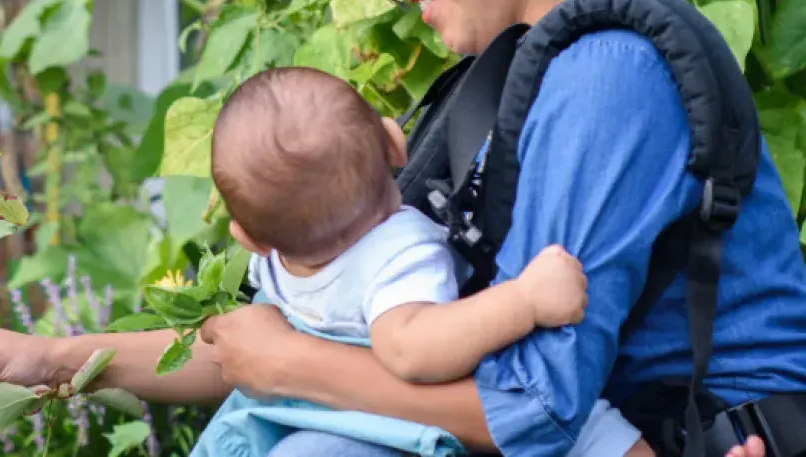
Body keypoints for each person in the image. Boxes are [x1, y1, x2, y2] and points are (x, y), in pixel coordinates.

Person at [0, 0, 806, 454]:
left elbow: (534, 408)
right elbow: (299, 332)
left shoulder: (606, 71)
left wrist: (293, 370)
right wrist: (43, 355)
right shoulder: (501, 73)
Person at [196, 65, 651, 457]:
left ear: (249, 239)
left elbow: (234, 348)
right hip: (397, 424)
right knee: (593, 430)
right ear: (396, 143)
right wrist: (526, 299)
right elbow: (411, 348)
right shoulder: (399, 254)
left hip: (277, 424)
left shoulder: (276, 267)